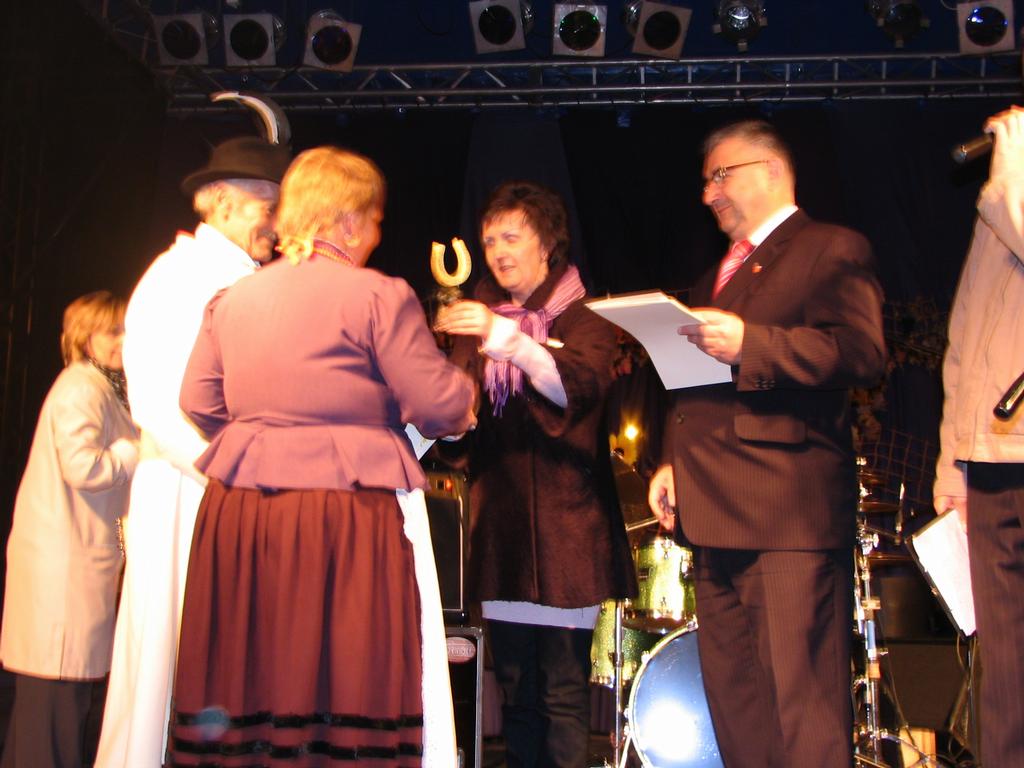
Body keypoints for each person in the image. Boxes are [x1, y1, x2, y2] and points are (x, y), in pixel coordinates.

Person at [167, 146, 476, 768]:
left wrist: (266, 440)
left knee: (253, 673)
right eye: (377, 220)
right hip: (342, 515)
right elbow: (437, 404)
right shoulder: (377, 295)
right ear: (351, 221)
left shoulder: (233, 299)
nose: (376, 235)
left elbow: (197, 402)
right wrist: (465, 395)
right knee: (342, 681)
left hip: (242, 515)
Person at [647, 119, 885, 767]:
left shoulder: (830, 248)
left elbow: (861, 351)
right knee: (739, 708)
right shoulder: (713, 277)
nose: (708, 194)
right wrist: (671, 460)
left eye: (720, 176)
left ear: (773, 170)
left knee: (800, 711)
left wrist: (752, 343)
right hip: (712, 513)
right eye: (705, 182)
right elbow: (694, 384)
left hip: (786, 516)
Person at [94, 136, 291, 768]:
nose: (279, 223)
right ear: (224, 203)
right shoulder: (179, 277)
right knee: (165, 659)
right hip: (189, 491)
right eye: (268, 206)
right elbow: (159, 403)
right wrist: (236, 476)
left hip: (225, 493)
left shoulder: (239, 278)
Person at [434, 180, 636, 768]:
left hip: (569, 536)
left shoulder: (585, 318)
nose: (498, 251)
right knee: (518, 695)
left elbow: (579, 390)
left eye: (511, 237)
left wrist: (511, 342)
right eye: (489, 240)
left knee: (563, 696)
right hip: (503, 536)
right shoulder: (478, 320)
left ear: (547, 244)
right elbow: (463, 411)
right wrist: (450, 422)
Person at [0, 291, 139, 768]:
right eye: (112, 331)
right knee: (53, 717)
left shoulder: (101, 388)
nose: (123, 341)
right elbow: (83, 467)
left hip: (74, 570)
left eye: (126, 329)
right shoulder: (81, 387)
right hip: (62, 576)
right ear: (84, 338)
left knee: (47, 720)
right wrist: (134, 451)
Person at [934, 105, 1024, 767]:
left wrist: (1011, 171)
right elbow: (965, 336)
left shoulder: (1008, 184)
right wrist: (953, 462)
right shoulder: (1005, 189)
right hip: (993, 454)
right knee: (1004, 665)